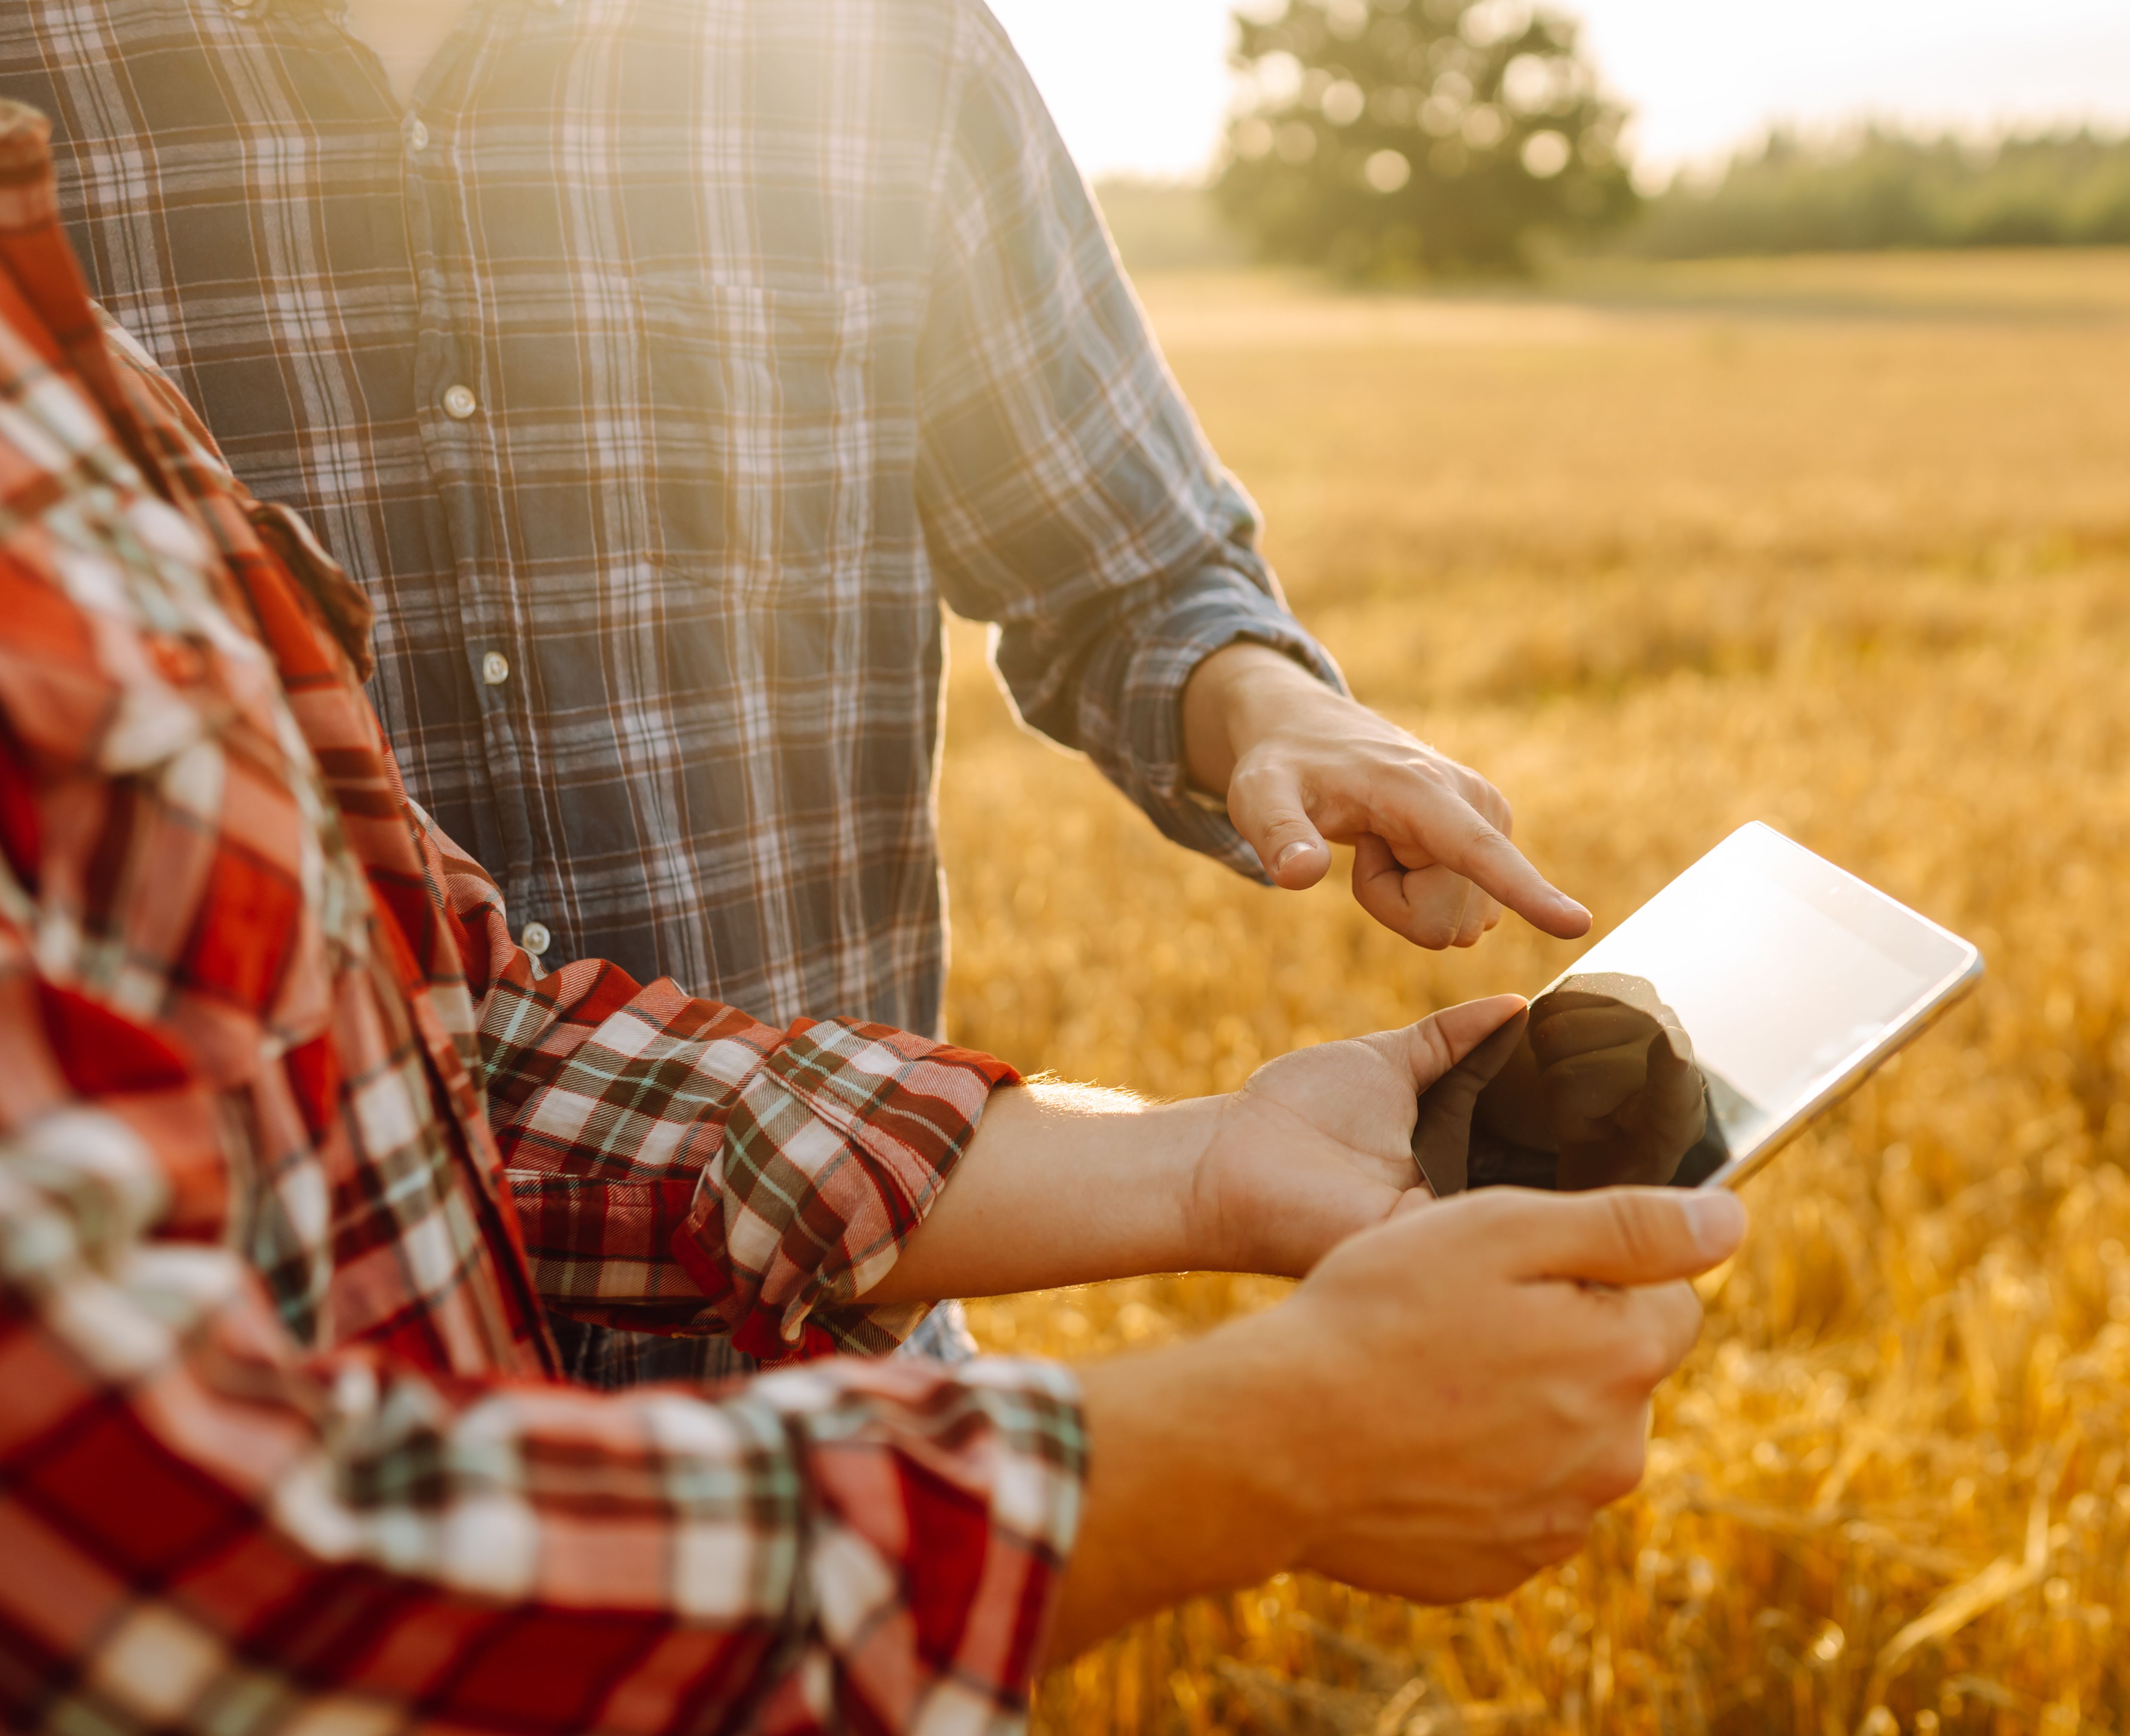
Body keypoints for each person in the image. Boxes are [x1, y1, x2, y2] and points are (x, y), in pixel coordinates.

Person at [0, 101, 1742, 1731]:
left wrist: (1204, 1162)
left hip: (826, 1483)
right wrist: (1261, 1449)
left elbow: (448, 1042)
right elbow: (136, 1562)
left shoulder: (53, 341)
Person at [0, 0, 1593, 1384]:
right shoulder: (34, 90)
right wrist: (1189, 1195)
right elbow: (445, 1040)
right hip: (286, 1448)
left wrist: (1272, 710)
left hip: (854, 1364)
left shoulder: (876, 46)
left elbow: (1127, 564)